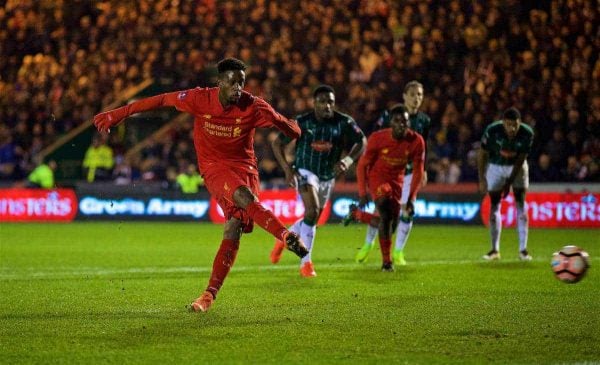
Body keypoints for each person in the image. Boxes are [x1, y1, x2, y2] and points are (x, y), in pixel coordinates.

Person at [93, 57, 308, 312]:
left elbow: (291, 130)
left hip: (245, 167)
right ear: (219, 83)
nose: (238, 88)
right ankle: (285, 235)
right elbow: (161, 100)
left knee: (233, 228)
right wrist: (119, 113)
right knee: (243, 197)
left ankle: (208, 295)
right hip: (214, 167)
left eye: (242, 83)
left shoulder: (254, 106)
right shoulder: (199, 98)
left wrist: (294, 131)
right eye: (232, 82)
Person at [269, 85, 366, 277]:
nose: (327, 105)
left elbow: (362, 141)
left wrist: (347, 160)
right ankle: (306, 263)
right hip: (305, 171)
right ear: (314, 103)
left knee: (312, 218)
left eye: (330, 101)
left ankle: (285, 237)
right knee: (312, 211)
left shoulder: (343, 122)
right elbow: (277, 142)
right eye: (322, 101)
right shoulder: (302, 122)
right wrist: (288, 169)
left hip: (327, 176)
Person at [343, 81, 431, 266]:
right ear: (405, 95)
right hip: (381, 175)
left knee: (398, 218)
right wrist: (363, 189)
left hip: (404, 175)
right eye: (413, 94)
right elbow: (373, 149)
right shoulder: (383, 125)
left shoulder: (423, 124)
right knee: (383, 210)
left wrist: (422, 171)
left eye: (420, 95)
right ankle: (376, 252)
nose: (417, 98)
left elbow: (422, 154)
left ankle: (397, 250)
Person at [355, 104, 425, 272]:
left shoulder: (416, 141)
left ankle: (358, 215)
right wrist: (363, 192)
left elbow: (418, 171)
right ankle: (387, 262)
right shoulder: (377, 138)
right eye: (397, 121)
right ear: (390, 123)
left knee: (390, 223)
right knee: (385, 211)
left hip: (397, 183)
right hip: (377, 179)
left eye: (405, 122)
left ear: (409, 123)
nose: (401, 124)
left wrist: (412, 198)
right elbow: (361, 165)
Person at [477, 107, 534, 261]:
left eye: (515, 124)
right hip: (495, 167)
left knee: (520, 202)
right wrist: (482, 178)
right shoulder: (492, 130)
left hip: (517, 167)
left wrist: (509, 182)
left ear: (519, 123)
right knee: (495, 204)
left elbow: (521, 157)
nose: (512, 128)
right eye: (508, 124)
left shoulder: (527, 133)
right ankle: (495, 250)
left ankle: (523, 250)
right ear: (503, 123)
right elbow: (482, 153)